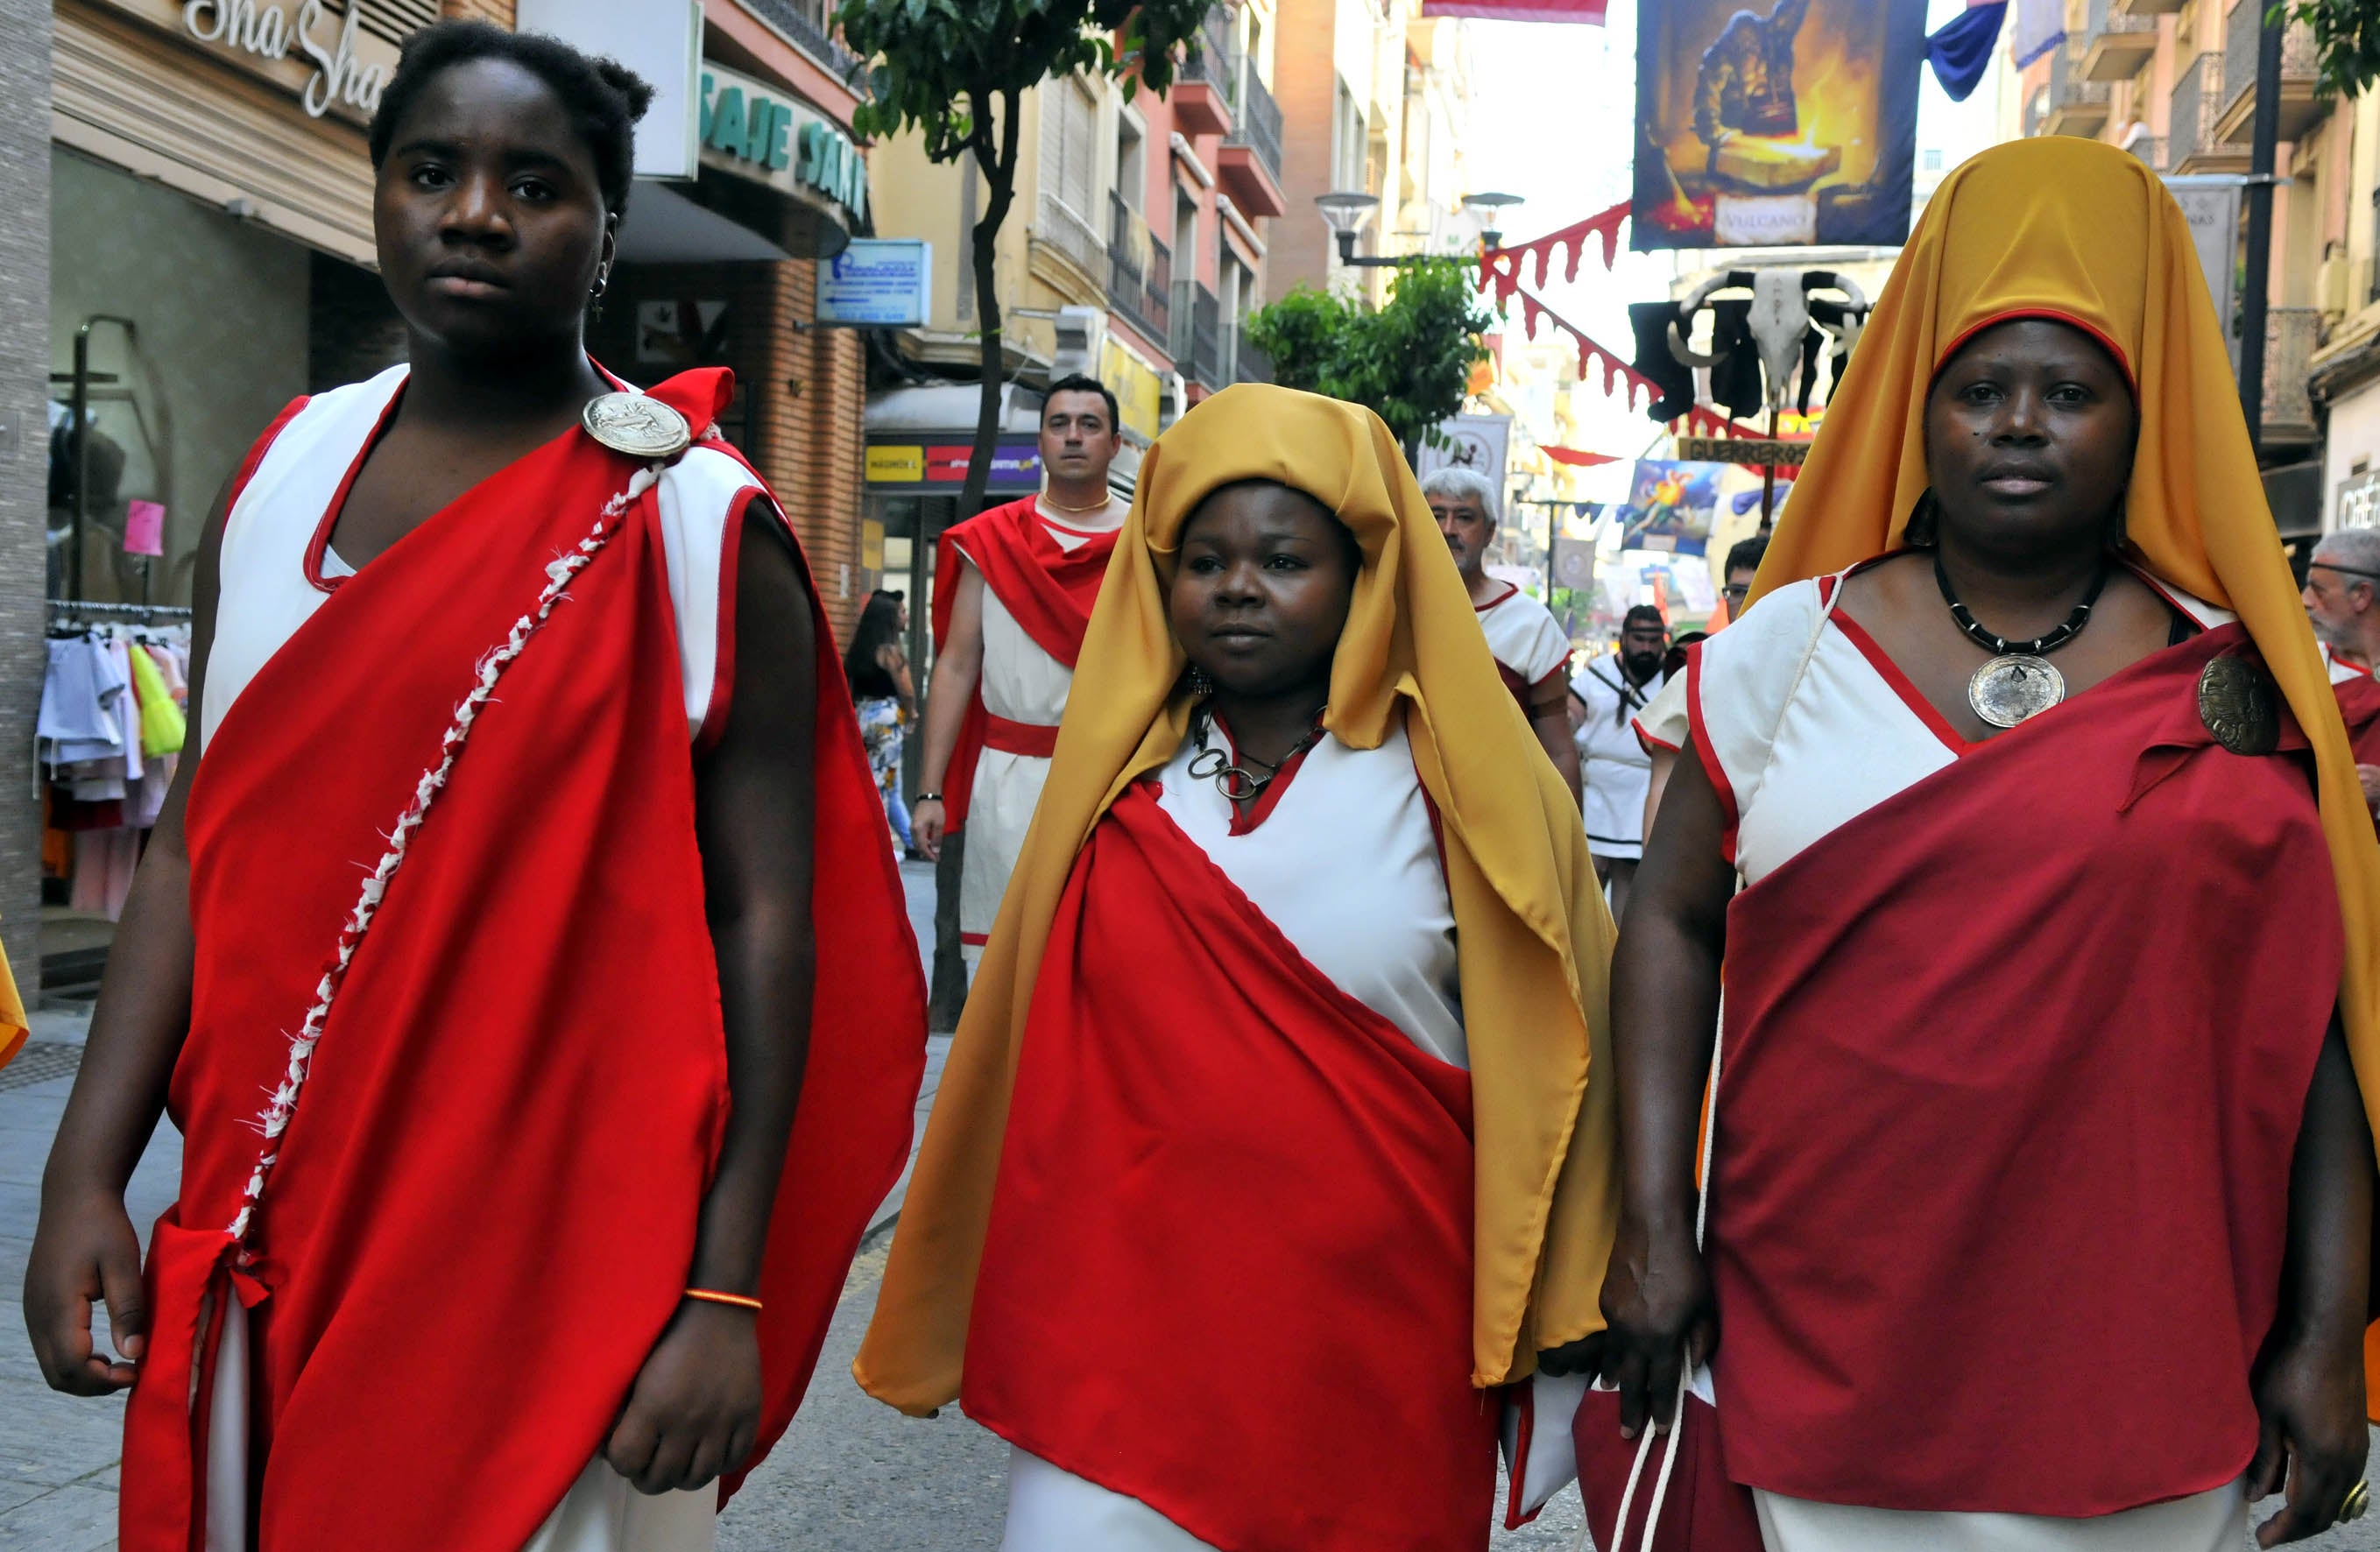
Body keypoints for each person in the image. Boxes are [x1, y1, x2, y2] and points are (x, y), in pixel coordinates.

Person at [22, 25, 925, 1550]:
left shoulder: (698, 523)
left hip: (562, 1259)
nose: (476, 215)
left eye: (536, 186)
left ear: (607, 228)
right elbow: (188, 850)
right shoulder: (282, 469)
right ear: (379, 192)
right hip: (274, 1206)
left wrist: (725, 1292)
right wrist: (83, 1173)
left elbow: (770, 926)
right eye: (432, 171)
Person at [1586, 138, 2380, 1550]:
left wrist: (2325, 1334)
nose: (2019, 424)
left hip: (2140, 1354)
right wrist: (1651, 1220)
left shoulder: (2248, 689)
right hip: (1817, 1330)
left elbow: (2308, 1027)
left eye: (2069, 394)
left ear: (2139, 419)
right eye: (1979, 391)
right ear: (1921, 411)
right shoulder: (1785, 650)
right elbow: (1672, 921)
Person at [852, 384, 1622, 1550]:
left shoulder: (1475, 790)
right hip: (1112, 1343)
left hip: (1376, 1336)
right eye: (1204, 561)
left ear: (1365, 574)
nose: (1238, 586)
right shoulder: (1108, 792)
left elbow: (1575, 1053)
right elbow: (1025, 1060)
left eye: (1284, 559)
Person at [910, 376, 1129, 986]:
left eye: (1089, 425)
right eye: (1059, 424)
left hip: (1115, 782)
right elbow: (956, 665)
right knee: (1008, 972)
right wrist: (930, 791)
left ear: (1115, 444)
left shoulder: (1146, 542)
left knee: (1102, 963)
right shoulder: (992, 542)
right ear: (1039, 441)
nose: (1073, 437)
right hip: (1007, 782)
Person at [1423, 467, 1581, 801]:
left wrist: (1566, 832)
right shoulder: (1391, 607)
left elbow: (1558, 752)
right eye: (1436, 516)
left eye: (1464, 517)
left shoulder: (1530, 623)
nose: (1448, 529)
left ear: (1490, 531)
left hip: (1498, 806)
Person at [1637, 534, 1766, 839]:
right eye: (1737, 592)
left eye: (1758, 590)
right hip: (1707, 847)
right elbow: (1662, 788)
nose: (1746, 601)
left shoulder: (1812, 667)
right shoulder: (1697, 674)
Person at [1570, 605, 1668, 917]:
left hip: (1643, 794)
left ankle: (1619, 947)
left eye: (1654, 639)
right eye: (1639, 638)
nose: (1646, 647)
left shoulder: (1672, 679)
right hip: (1596, 793)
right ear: (1624, 637)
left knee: (1629, 891)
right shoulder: (1597, 674)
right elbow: (1569, 717)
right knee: (1587, 886)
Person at [847, 588, 919, 855]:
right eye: (902, 612)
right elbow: (907, 691)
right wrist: (912, 714)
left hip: (863, 716)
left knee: (884, 781)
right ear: (889, 618)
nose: (906, 617)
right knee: (883, 784)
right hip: (887, 722)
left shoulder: (860, 650)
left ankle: (908, 841)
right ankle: (877, 844)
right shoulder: (890, 652)